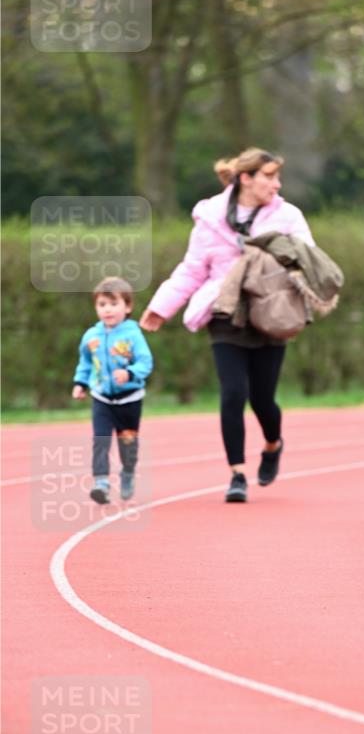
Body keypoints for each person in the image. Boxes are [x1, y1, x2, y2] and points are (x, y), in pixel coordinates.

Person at [139, 148, 315, 503]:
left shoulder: (288, 216)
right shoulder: (210, 218)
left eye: (278, 177)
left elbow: (309, 259)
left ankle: (273, 443)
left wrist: (279, 260)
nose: (277, 185)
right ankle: (237, 473)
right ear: (246, 178)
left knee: (263, 399)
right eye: (270, 177)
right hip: (223, 311)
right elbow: (192, 270)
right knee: (233, 393)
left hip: (269, 312)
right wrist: (161, 307)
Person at [72, 277, 153, 504]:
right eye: (102, 304)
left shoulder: (133, 335)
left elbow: (145, 362)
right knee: (100, 440)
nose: (108, 309)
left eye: (114, 304)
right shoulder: (91, 336)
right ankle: (101, 483)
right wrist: (80, 383)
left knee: (128, 443)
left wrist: (130, 373)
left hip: (129, 398)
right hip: (102, 398)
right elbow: (85, 362)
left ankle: (127, 472)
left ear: (127, 306)